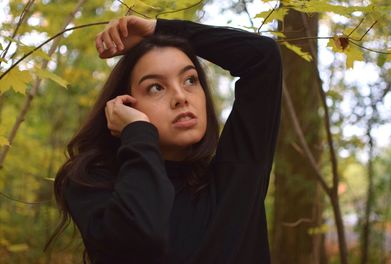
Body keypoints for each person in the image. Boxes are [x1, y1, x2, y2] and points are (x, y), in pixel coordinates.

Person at [49, 15, 282, 263]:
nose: (181, 96)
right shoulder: (93, 184)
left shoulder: (235, 176)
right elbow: (141, 237)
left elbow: (262, 57)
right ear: (125, 105)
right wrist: (138, 134)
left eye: (190, 80)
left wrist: (159, 29)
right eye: (156, 87)